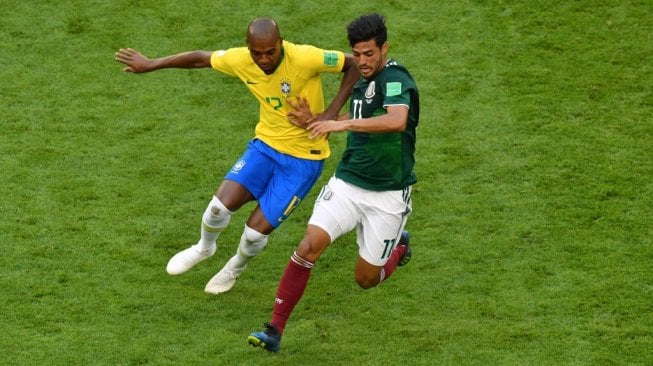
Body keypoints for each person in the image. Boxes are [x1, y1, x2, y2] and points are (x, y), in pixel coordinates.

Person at [115, 18, 359, 294]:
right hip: (265, 147)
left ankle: (235, 267)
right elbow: (200, 59)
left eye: (270, 52)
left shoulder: (304, 57)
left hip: (304, 159)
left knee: (254, 233)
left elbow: (352, 64)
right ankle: (204, 247)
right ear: (248, 48)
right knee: (217, 207)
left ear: (281, 43)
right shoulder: (241, 60)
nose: (264, 59)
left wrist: (329, 114)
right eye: (257, 53)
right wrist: (151, 64)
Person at [248, 13, 420, 352]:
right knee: (308, 246)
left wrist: (339, 127)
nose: (363, 61)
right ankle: (274, 329)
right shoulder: (361, 82)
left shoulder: (396, 78)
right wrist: (315, 121)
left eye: (370, 53)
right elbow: (354, 116)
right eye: (357, 54)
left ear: (384, 48)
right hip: (348, 183)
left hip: (387, 194)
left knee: (365, 279)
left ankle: (399, 248)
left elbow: (396, 120)